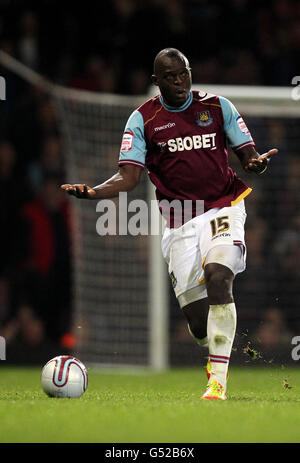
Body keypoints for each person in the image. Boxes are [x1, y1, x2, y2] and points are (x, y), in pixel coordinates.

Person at [61, 48, 278, 400]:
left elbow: (248, 155)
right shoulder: (142, 119)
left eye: (183, 74)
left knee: (220, 276)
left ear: (189, 72)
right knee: (197, 323)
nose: (179, 81)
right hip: (178, 223)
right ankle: (216, 345)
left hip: (223, 206)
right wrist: (94, 192)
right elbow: (129, 177)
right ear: (156, 81)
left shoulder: (217, 107)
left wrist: (256, 164)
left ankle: (217, 383)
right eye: (170, 76)